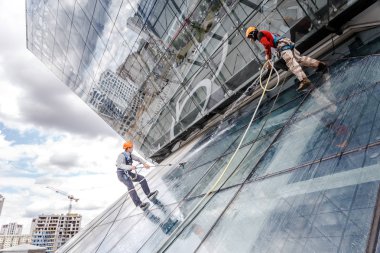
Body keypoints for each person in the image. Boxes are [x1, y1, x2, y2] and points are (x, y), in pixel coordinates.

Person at [245, 26, 327, 91]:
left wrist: (268, 58)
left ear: (252, 34)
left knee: (291, 63)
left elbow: (266, 45)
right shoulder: (264, 33)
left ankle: (304, 80)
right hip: (285, 43)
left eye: (250, 37)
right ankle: (319, 65)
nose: (251, 39)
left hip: (282, 46)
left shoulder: (259, 35)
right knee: (299, 59)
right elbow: (272, 41)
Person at [116, 140, 158, 211]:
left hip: (128, 173)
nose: (132, 148)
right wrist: (130, 167)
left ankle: (148, 194)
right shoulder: (121, 156)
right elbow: (119, 165)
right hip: (122, 174)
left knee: (141, 178)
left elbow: (138, 158)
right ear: (128, 148)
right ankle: (140, 204)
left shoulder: (130, 155)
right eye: (131, 147)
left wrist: (144, 163)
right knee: (131, 186)